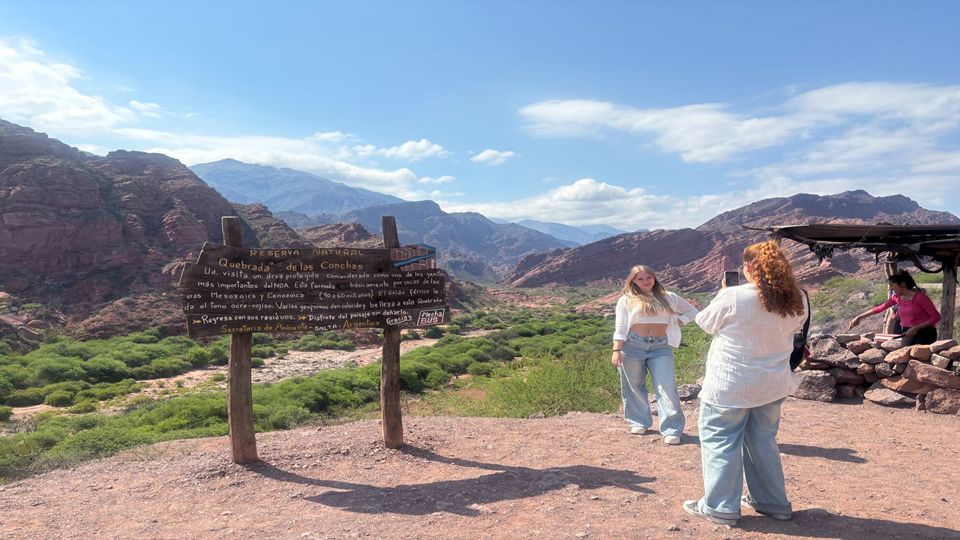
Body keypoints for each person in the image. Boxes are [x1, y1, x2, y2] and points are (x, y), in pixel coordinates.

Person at [682, 240, 808, 526]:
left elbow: (704, 322)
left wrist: (723, 294)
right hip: (773, 383)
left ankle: (720, 507)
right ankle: (773, 503)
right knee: (762, 441)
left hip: (731, 384)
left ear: (750, 267)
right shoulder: (798, 296)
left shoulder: (735, 296)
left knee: (720, 441)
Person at [612, 265, 699, 445]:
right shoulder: (627, 299)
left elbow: (693, 312)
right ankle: (639, 421)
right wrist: (616, 350)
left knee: (666, 386)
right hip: (632, 345)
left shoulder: (670, 297)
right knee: (634, 386)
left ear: (654, 278)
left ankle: (672, 428)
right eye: (640, 278)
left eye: (648, 277)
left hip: (661, 346)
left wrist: (680, 321)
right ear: (633, 281)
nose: (645, 281)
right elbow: (620, 327)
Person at [848, 271, 940, 345]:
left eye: (892, 285)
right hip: (907, 331)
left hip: (925, 333)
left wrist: (915, 328)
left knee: (919, 358)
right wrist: (859, 317)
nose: (891, 288)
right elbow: (880, 308)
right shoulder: (896, 298)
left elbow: (936, 317)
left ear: (902, 284)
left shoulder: (920, 297)